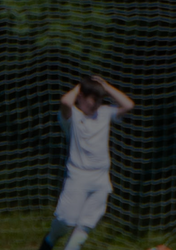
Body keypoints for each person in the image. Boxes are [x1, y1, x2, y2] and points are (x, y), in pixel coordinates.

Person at [37, 75, 134, 250]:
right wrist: (80, 86)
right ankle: (50, 240)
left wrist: (106, 85)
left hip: (101, 178)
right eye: (91, 99)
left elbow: (128, 105)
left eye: (98, 100)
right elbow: (65, 102)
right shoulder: (73, 116)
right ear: (80, 97)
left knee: (86, 225)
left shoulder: (104, 113)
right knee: (67, 220)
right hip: (78, 176)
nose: (95, 104)